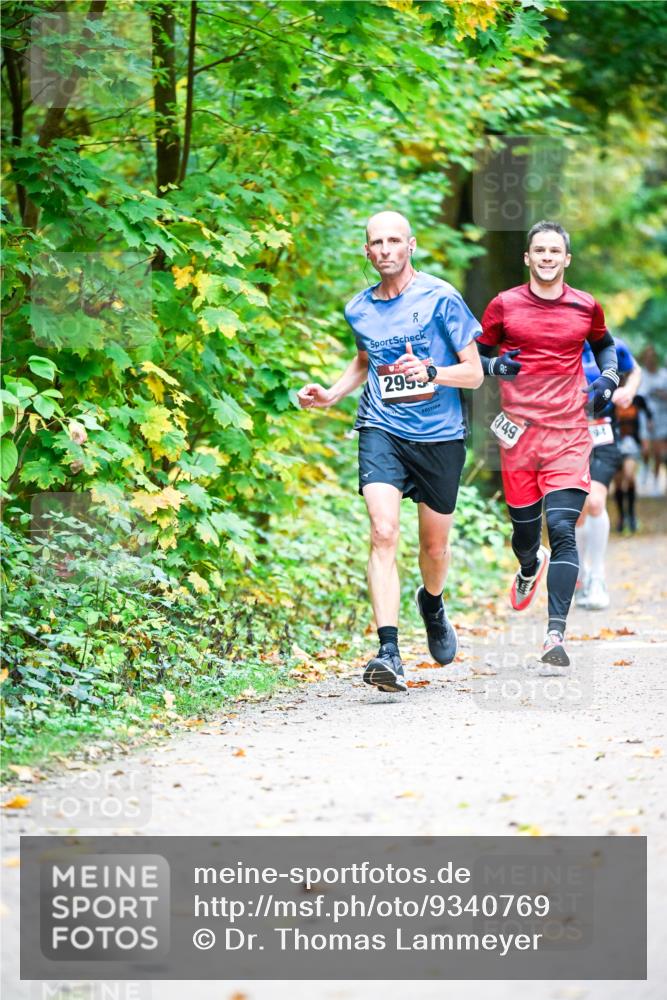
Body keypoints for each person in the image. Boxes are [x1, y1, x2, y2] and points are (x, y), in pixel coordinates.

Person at [297, 210, 483, 693]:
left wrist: (431, 373)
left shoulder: (442, 297)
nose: (384, 250)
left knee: (433, 548)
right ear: (367, 251)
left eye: (393, 241)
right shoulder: (359, 309)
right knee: (382, 531)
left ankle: (434, 603)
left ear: (411, 245)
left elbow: (475, 373)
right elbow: (366, 359)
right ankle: (389, 652)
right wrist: (333, 393)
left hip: (440, 434)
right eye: (376, 242)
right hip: (381, 426)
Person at [476, 220, 618, 669]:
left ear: (566, 258)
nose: (547, 257)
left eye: (555, 251)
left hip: (569, 433)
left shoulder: (586, 306)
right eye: (539, 250)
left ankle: (554, 634)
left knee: (561, 529)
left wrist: (609, 378)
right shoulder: (504, 305)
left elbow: (606, 347)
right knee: (525, 533)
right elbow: (473, 356)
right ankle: (526, 563)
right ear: (528, 257)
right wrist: (495, 366)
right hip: (518, 434)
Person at [575, 337, 641, 610]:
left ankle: (597, 576)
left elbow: (634, 370)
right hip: (567, 434)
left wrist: (628, 391)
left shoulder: (613, 344)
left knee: (595, 502)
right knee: (576, 509)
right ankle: (579, 575)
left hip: (603, 432)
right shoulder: (559, 342)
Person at [637, 345, 667, 496]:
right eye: (647, 357)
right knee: (645, 449)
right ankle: (645, 468)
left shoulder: (663, 375)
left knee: (659, 453)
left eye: (652, 357)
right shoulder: (640, 375)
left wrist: (661, 394)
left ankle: (656, 481)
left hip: (662, 417)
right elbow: (638, 398)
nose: (650, 360)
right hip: (644, 418)